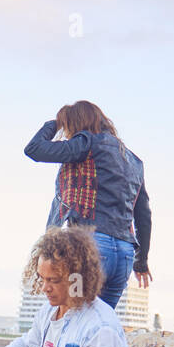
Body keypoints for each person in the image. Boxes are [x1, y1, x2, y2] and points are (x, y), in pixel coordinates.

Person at [24, 100, 153, 310]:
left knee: (74, 321)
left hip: (92, 249)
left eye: (67, 128)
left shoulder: (87, 142)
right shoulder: (134, 161)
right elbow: (143, 215)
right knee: (99, 323)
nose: (66, 135)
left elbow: (34, 149)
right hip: (124, 255)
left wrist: (55, 122)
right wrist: (141, 261)